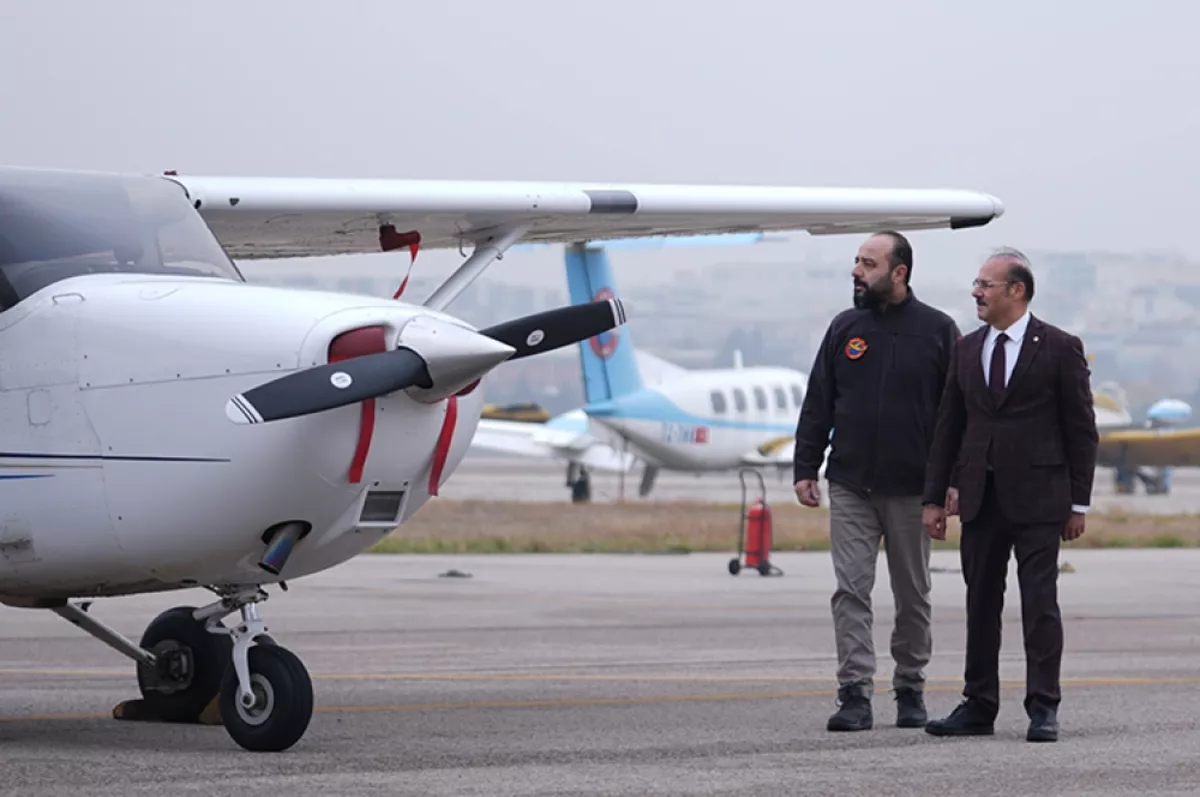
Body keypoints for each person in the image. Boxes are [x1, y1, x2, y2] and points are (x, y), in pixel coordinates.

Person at [921, 247, 1098, 743]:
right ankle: (978, 705)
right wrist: (934, 498)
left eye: (985, 284)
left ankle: (1044, 706)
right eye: (976, 284)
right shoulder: (966, 348)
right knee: (981, 603)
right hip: (981, 497)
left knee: (1040, 605)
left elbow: (1081, 429)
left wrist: (1077, 503)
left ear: (1016, 291)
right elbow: (948, 427)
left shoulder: (1061, 347)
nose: (976, 292)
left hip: (1042, 499)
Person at [793, 230, 961, 732]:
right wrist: (806, 466)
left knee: (912, 594)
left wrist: (950, 482)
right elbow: (819, 399)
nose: (856, 271)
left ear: (899, 272)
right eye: (857, 261)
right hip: (850, 485)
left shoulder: (938, 331)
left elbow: (956, 415)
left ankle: (910, 687)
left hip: (914, 490)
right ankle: (855, 694)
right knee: (851, 591)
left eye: (868, 263)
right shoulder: (846, 328)